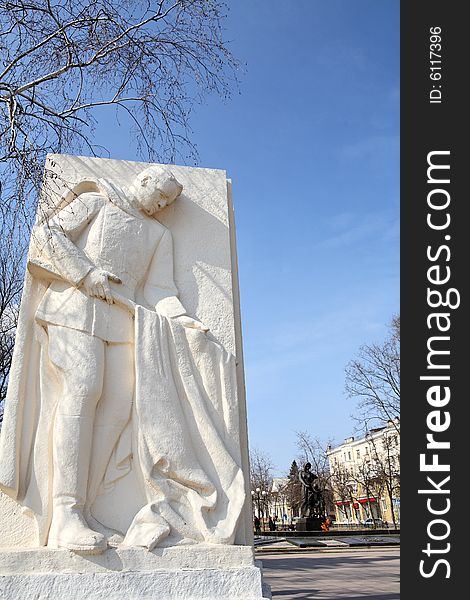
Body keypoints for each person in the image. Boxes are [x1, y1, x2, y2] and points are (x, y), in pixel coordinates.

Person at [0, 166, 245, 553]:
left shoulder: (159, 235)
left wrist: (183, 321)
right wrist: (84, 272)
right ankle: (65, 513)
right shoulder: (95, 202)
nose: (162, 205)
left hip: (122, 323)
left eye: (169, 202)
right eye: (160, 195)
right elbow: (48, 235)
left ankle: (87, 508)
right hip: (73, 308)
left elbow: (162, 290)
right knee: (83, 387)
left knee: (117, 407)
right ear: (143, 181)